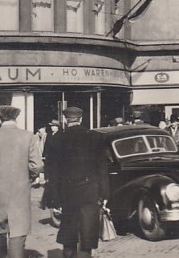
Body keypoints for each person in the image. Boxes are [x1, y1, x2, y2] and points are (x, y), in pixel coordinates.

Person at [0, 105, 43, 258]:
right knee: (17, 235)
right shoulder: (28, 137)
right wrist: (30, 177)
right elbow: (37, 166)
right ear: (16, 119)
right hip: (19, 195)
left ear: (0, 120)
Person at [51, 106, 110, 258]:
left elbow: (53, 171)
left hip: (67, 191)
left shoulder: (58, 138)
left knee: (68, 231)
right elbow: (102, 168)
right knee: (88, 231)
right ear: (81, 119)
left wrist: (54, 198)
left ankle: (68, 253)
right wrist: (105, 193)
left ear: (65, 120)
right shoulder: (96, 137)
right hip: (90, 190)